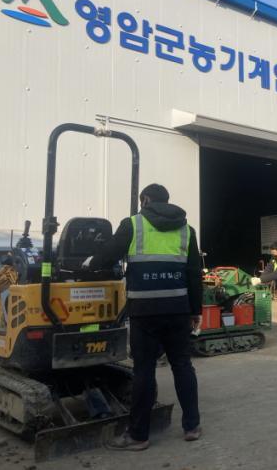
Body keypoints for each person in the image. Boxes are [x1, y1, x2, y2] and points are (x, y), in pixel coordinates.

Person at [83, 183, 203, 450]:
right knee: (183, 366)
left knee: (144, 371)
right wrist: (196, 310)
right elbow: (194, 273)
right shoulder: (187, 230)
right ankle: (192, 426)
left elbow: (108, 256)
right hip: (178, 310)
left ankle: (138, 436)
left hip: (145, 312)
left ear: (146, 199)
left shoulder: (133, 224)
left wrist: (90, 262)